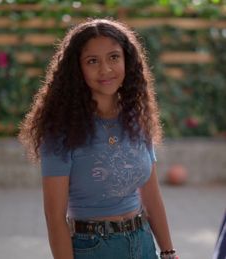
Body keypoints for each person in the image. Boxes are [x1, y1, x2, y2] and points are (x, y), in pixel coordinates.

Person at [19, 18, 178, 259]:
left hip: (144, 244)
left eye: (114, 57)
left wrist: (167, 252)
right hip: (93, 248)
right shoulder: (61, 130)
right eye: (92, 61)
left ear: (127, 60)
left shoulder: (137, 118)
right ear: (77, 69)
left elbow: (152, 196)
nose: (105, 69)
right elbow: (54, 217)